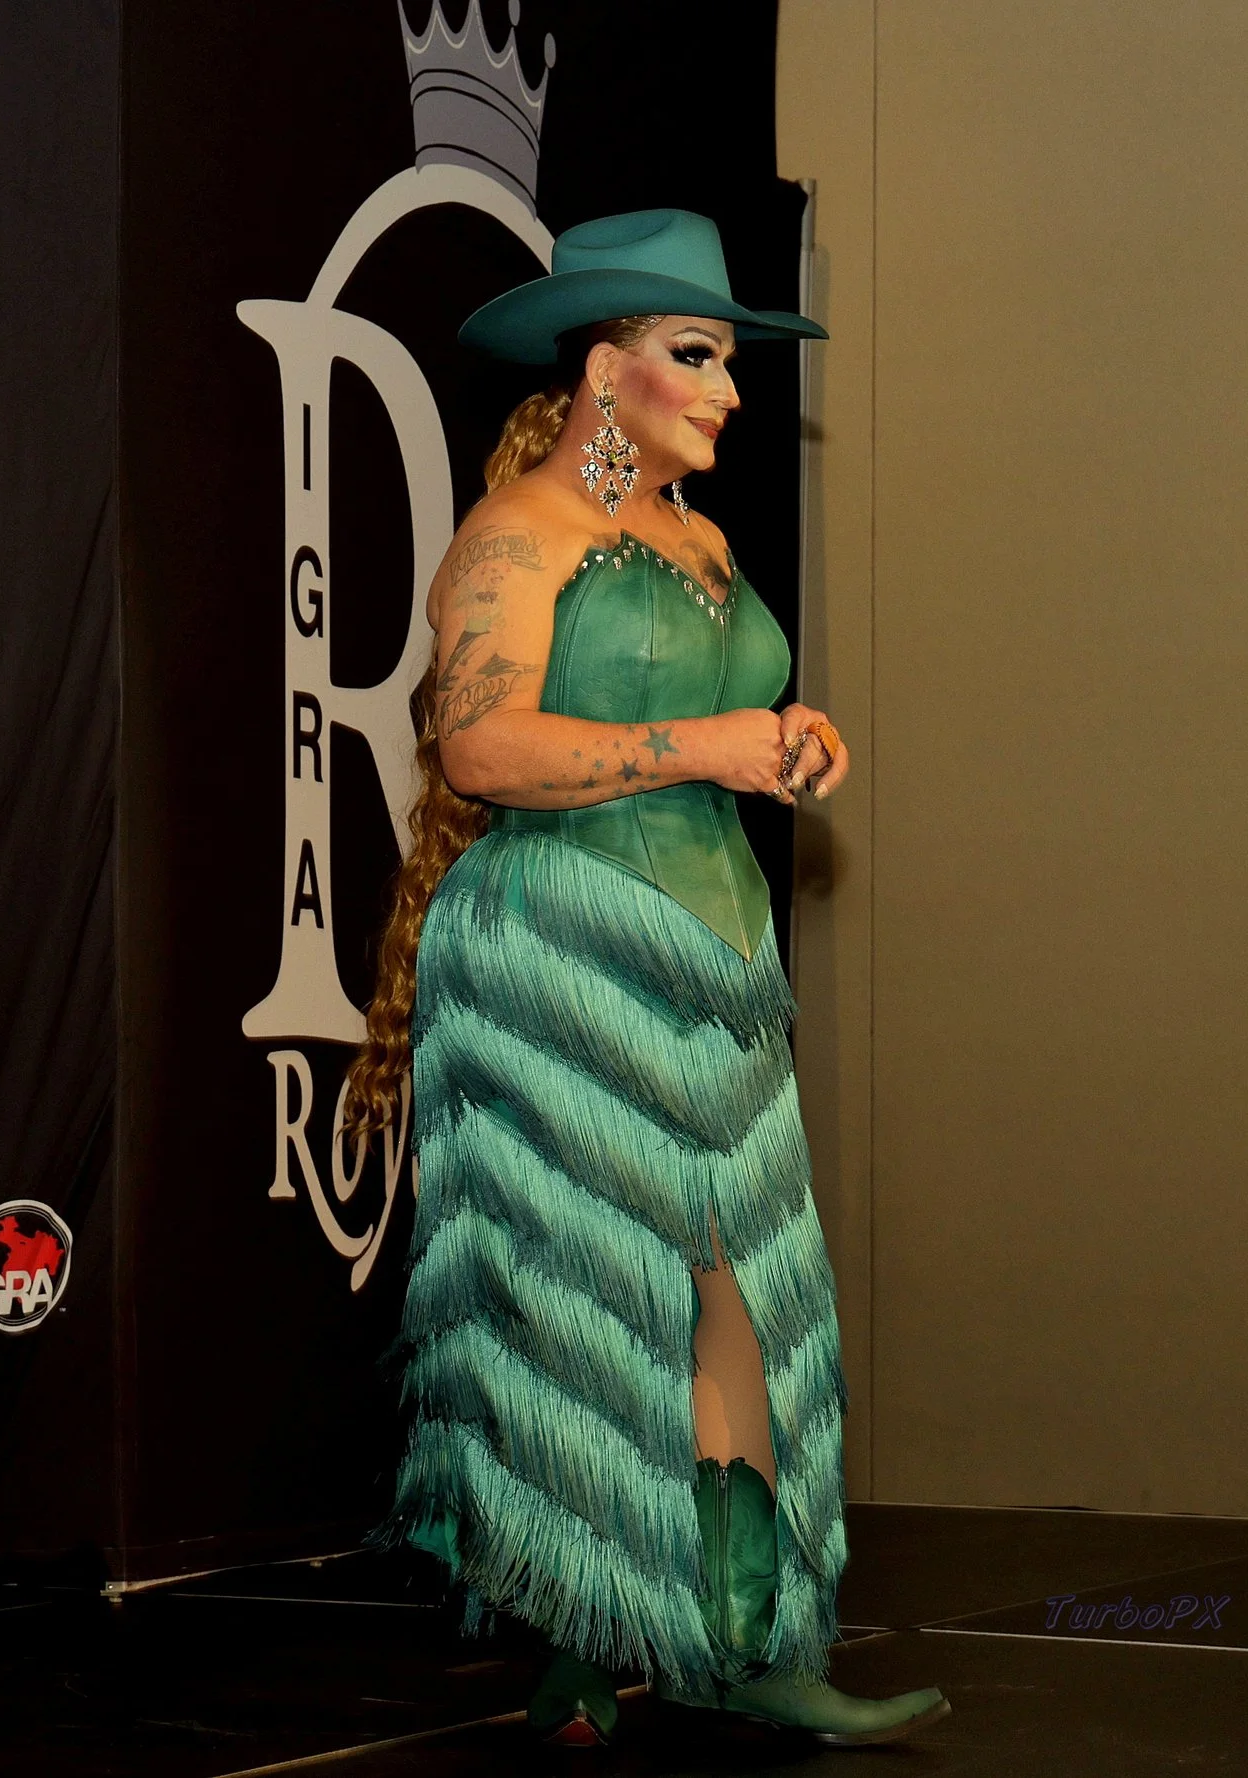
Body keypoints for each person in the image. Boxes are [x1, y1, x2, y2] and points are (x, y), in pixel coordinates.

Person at [344, 210, 947, 1748]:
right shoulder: (518, 534)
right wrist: (703, 745)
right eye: (700, 355)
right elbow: (481, 744)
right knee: (586, 1288)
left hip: (716, 955)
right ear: (608, 373)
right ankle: (585, 1630)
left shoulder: (706, 547)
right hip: (564, 944)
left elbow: (722, 722)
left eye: (733, 361)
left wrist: (793, 736)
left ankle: (735, 1638)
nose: (731, 389)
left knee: (742, 1294)